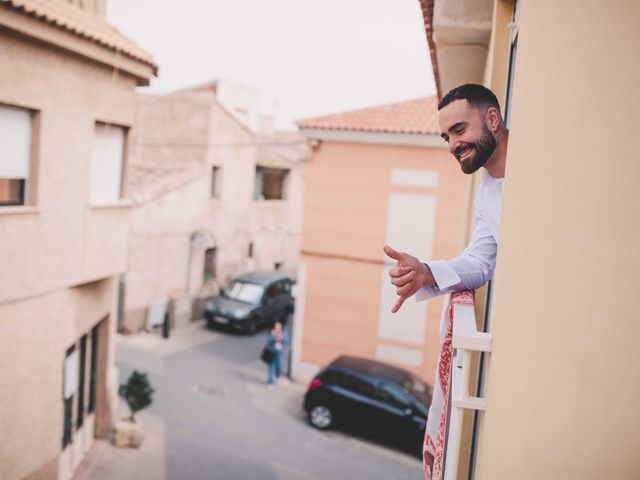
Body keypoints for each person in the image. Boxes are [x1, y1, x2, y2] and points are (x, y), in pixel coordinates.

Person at [384, 84, 509, 311]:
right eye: (446, 138)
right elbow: (479, 263)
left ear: (492, 119)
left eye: (459, 130)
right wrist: (425, 272)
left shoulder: (541, 160)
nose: (452, 146)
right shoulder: (485, 194)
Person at [265, 321, 288, 389]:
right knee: (271, 367)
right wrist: (274, 337)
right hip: (271, 353)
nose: (278, 330)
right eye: (276, 328)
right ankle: (270, 382)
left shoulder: (284, 334)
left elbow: (286, 342)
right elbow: (268, 342)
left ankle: (277, 376)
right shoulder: (271, 334)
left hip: (279, 353)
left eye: (279, 328)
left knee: (278, 366)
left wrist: (281, 340)